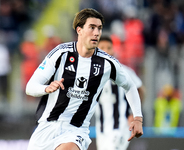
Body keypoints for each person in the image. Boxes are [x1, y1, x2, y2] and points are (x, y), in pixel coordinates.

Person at [26, 8, 143, 150]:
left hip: (75, 130)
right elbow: (30, 87)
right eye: (92, 28)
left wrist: (137, 117)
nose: (96, 33)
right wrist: (46, 88)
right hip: (46, 128)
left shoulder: (107, 63)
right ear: (79, 30)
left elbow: (130, 86)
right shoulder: (60, 54)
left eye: (99, 28)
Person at [95, 36, 145, 150]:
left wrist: (134, 113)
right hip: (101, 130)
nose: (106, 50)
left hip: (120, 127)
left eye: (109, 47)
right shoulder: (92, 73)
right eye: (102, 47)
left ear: (113, 50)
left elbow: (140, 89)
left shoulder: (124, 71)